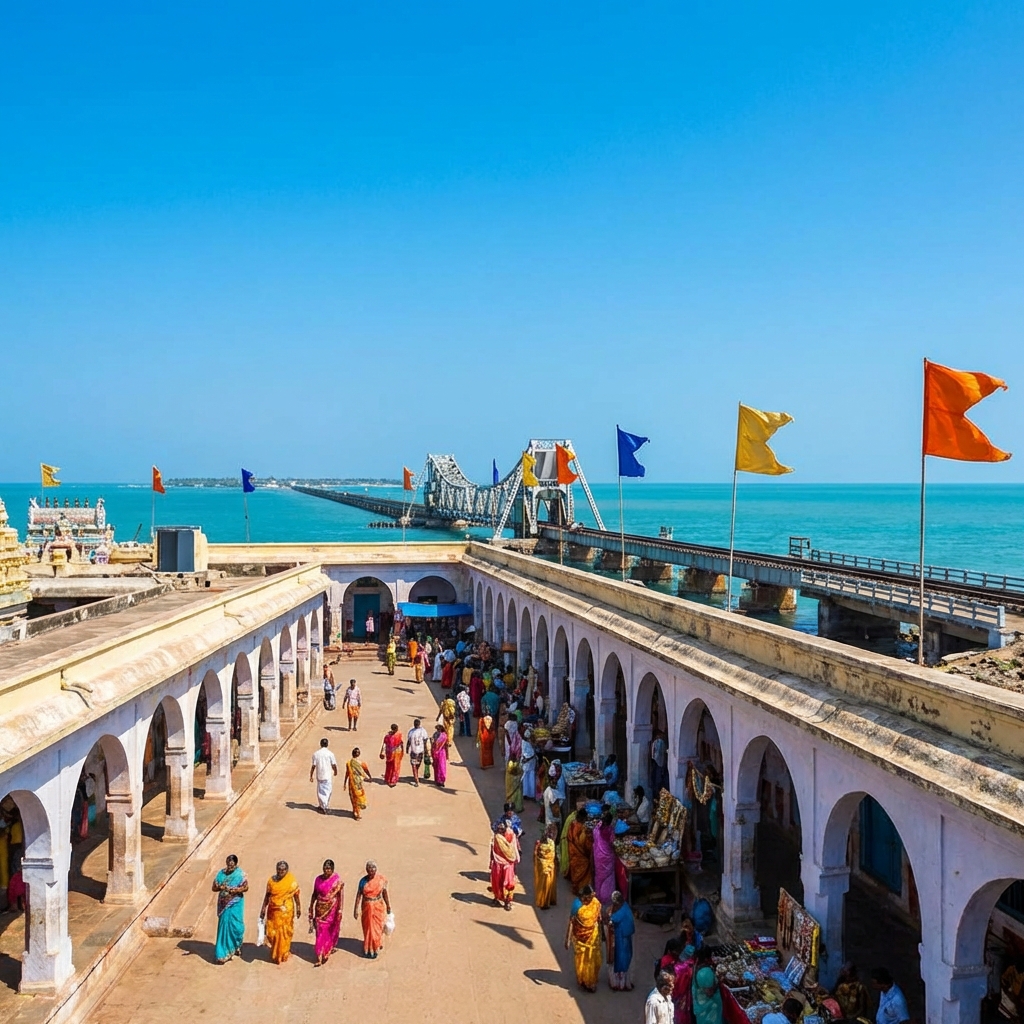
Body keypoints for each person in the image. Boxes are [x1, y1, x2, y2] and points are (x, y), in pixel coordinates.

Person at [260, 860, 301, 964]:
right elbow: (267, 895)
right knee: (271, 933)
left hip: (286, 911)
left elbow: (296, 895)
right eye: (279, 869)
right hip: (273, 911)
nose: (281, 871)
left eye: (283, 870)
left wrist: (298, 907)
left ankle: (282, 953)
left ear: (287, 870)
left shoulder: (291, 881)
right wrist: (263, 909)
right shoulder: (271, 881)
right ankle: (277, 949)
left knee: (283, 933)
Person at [564, 884, 602, 992]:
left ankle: (591, 980)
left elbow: (598, 918)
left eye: (591, 897)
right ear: (583, 897)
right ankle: (586, 982)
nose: (589, 900)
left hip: (593, 936)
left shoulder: (595, 902)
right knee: (582, 961)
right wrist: (567, 939)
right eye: (587, 898)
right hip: (580, 938)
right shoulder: (577, 905)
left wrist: (602, 934)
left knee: (594, 959)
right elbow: (571, 922)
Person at [212, 854, 248, 964]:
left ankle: (236, 945)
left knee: (237, 927)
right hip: (224, 905)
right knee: (224, 927)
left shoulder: (240, 874)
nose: (230, 866)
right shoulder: (221, 874)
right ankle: (222, 954)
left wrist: (236, 890)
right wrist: (221, 887)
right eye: (228, 864)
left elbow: (246, 887)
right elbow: (214, 887)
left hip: (236, 903)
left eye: (232, 865)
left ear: (236, 864)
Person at [308, 859, 344, 967]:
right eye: (324, 868)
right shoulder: (318, 879)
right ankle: (320, 954)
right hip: (319, 909)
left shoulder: (337, 881)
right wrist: (311, 907)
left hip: (331, 909)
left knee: (328, 930)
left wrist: (340, 909)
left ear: (332, 869)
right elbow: (314, 894)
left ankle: (326, 951)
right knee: (320, 931)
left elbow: (340, 896)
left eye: (328, 868)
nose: (326, 870)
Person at [353, 860, 390, 958]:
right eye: (369, 869)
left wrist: (388, 905)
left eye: (373, 869)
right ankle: (369, 948)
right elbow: (358, 895)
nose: (371, 871)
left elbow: (385, 893)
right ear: (367, 870)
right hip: (366, 907)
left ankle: (376, 945)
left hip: (378, 906)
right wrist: (355, 909)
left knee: (377, 927)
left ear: (376, 870)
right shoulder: (363, 882)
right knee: (369, 928)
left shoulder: (381, 880)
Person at [605, 890, 635, 991]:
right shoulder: (626, 906)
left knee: (620, 957)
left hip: (621, 936)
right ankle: (626, 983)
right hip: (626, 935)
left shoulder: (621, 911)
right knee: (626, 956)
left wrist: (608, 918)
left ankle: (619, 984)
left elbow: (612, 919)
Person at [489, 822, 520, 911]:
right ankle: (497, 897)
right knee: (496, 881)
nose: (499, 831)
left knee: (508, 883)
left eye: (501, 830)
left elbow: (514, 847)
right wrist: (491, 861)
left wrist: (515, 858)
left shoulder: (510, 835)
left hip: (507, 865)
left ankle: (508, 901)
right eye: (498, 830)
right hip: (497, 863)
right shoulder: (496, 837)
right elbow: (493, 849)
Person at [566, 807, 594, 895]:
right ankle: (582, 890)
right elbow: (585, 845)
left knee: (575, 872)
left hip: (573, 852)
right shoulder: (583, 830)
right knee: (583, 873)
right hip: (582, 856)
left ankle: (575, 888)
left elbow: (569, 837)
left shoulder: (572, 824)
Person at [593, 810, 619, 904]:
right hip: (607, 857)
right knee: (608, 877)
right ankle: (607, 897)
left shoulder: (597, 828)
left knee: (599, 876)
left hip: (598, 855)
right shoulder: (609, 831)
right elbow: (612, 843)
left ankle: (599, 895)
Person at [309, 738, 338, 813]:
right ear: (327, 744)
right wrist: (335, 771)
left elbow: (313, 766)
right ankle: (325, 806)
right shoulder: (330, 754)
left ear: (320, 744)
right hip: (327, 775)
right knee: (328, 791)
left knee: (320, 791)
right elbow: (333, 764)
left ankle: (322, 805)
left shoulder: (316, 754)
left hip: (320, 775)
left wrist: (311, 775)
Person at [533, 824, 558, 909]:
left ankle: (543, 902)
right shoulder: (552, 844)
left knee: (543, 886)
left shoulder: (539, 846)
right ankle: (550, 900)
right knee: (550, 885)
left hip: (543, 869)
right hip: (551, 868)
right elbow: (554, 856)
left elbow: (536, 856)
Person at [344, 748, 372, 819]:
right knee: (359, 796)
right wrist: (370, 776)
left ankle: (355, 811)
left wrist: (344, 782)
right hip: (358, 783)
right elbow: (366, 770)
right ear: (359, 754)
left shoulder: (348, 763)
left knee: (353, 797)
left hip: (351, 783)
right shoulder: (361, 763)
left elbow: (347, 773)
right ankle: (357, 813)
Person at [406, 719, 429, 786]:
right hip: (414, 751)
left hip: (419, 751)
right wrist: (407, 748)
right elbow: (409, 741)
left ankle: (416, 775)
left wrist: (426, 750)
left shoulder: (422, 731)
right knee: (414, 765)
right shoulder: (413, 731)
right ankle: (416, 779)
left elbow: (425, 741)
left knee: (416, 765)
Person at [521, 728, 537, 800]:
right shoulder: (527, 744)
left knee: (525, 778)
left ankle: (525, 793)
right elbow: (530, 755)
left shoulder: (523, 742)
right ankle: (531, 794)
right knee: (530, 778)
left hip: (526, 764)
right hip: (529, 764)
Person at [650, 731, 668, 796]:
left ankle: (657, 792)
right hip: (660, 762)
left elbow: (653, 752)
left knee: (657, 778)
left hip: (657, 761)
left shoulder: (656, 742)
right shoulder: (660, 742)